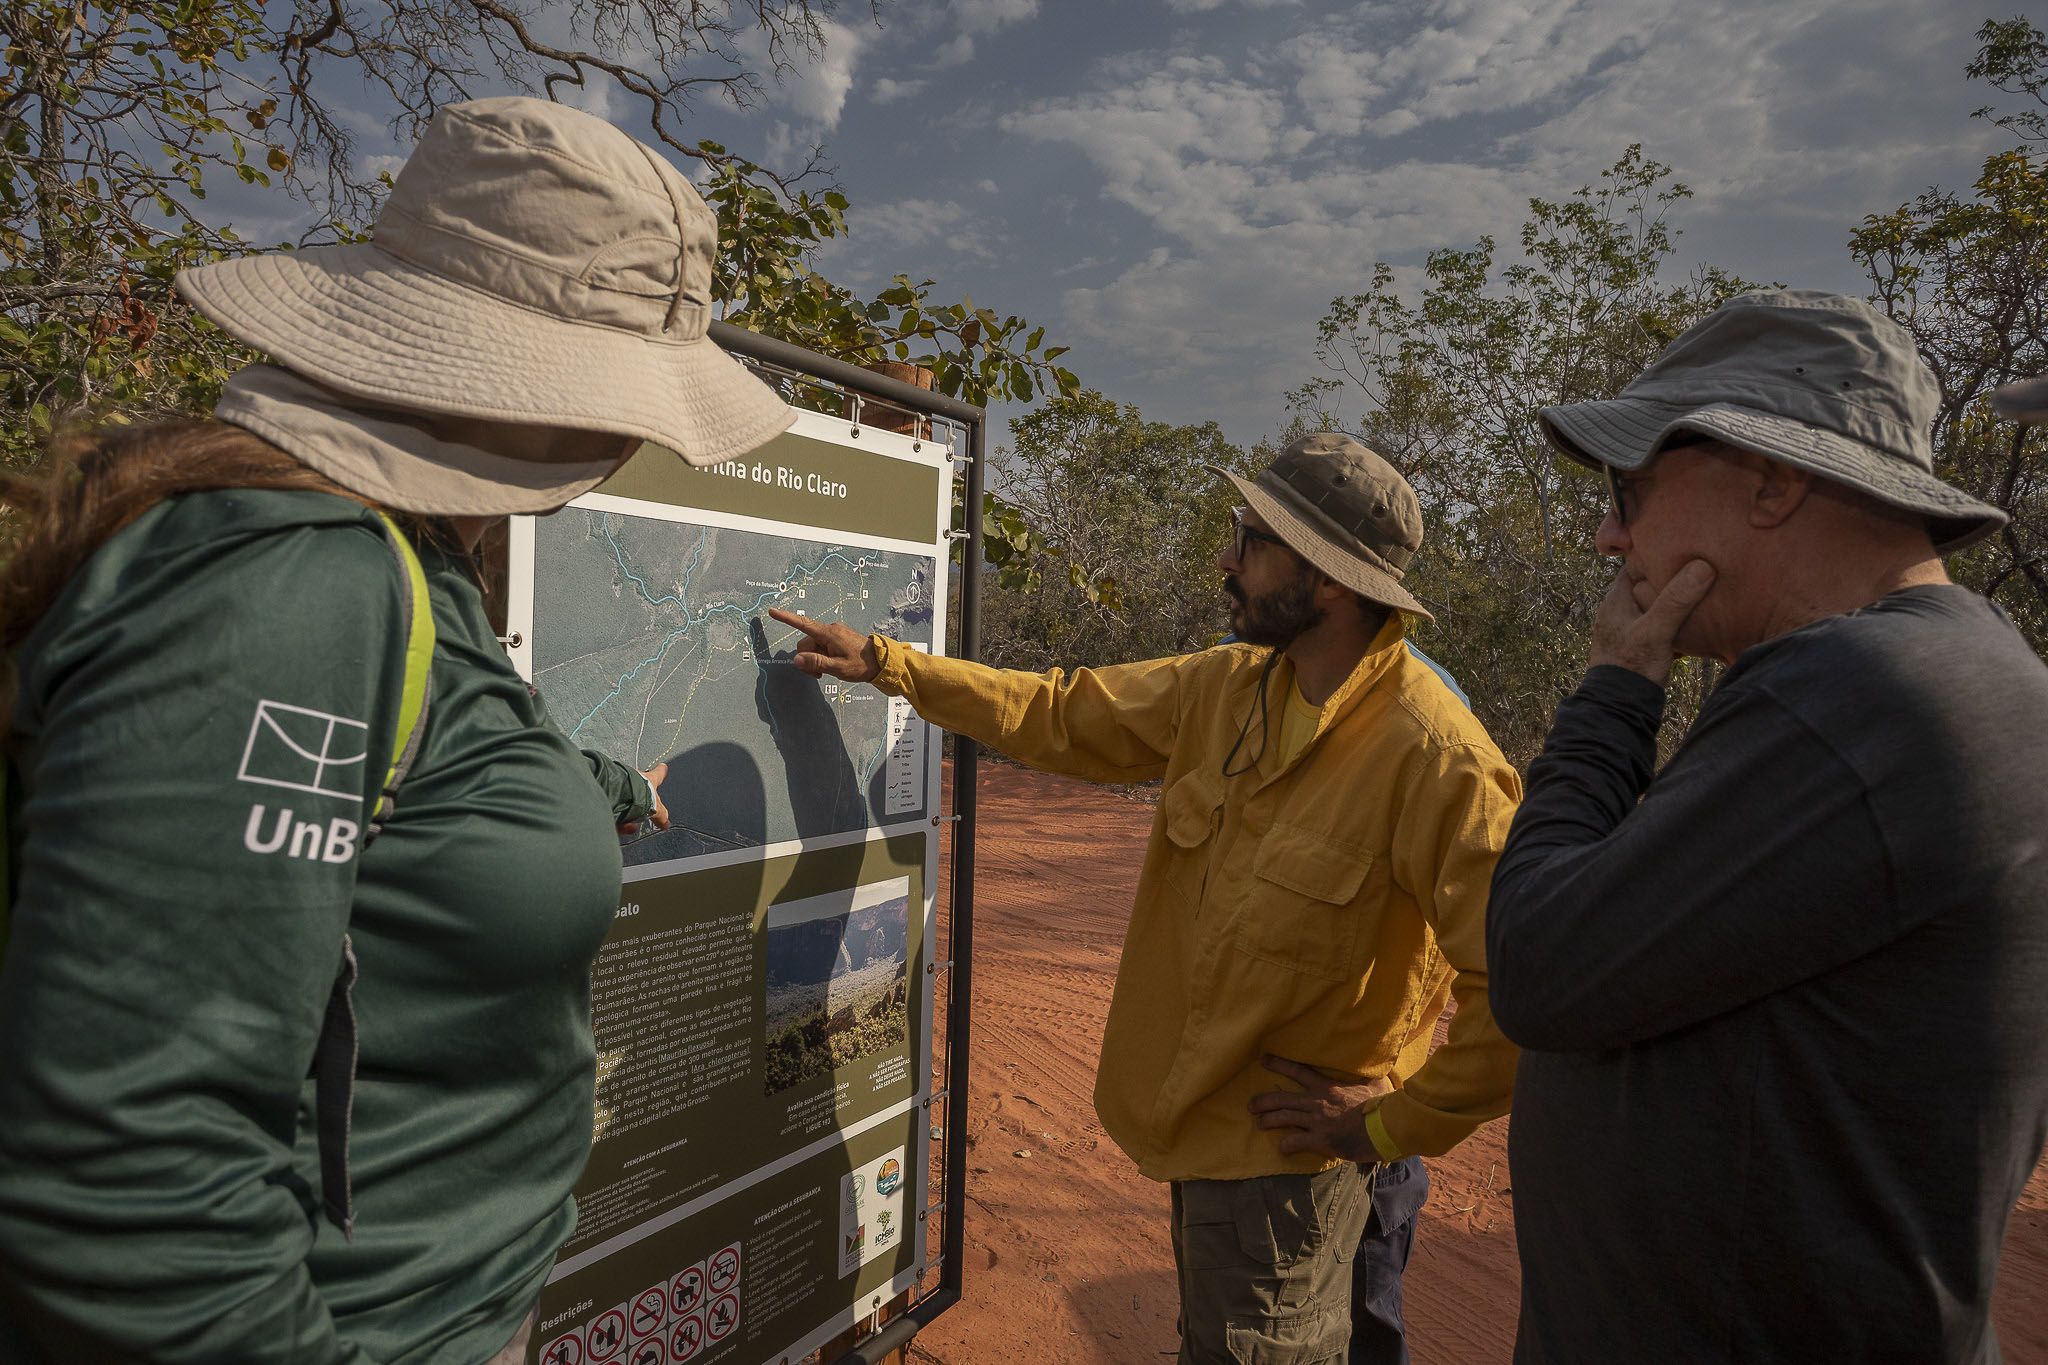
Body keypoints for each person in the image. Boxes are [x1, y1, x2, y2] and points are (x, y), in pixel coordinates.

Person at [0, 96, 793, 1362]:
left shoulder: (395, 557)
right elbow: (132, 1164)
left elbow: (415, 776)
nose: (635, 437)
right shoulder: (287, 583)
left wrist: (585, 785)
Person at [775, 432, 1521, 1364]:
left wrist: (1385, 1121)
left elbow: (1520, 998)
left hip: (1293, 1174)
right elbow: (1053, 712)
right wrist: (889, 662)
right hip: (1202, 1142)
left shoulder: (1437, 757)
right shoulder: (1227, 687)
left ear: (1327, 580)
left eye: (1249, 539)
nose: (1225, 560)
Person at [1486, 289, 2048, 1363]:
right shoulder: (1959, 673)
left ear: (1776, 481)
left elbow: (1537, 959)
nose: (1609, 534)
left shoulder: (1856, 692)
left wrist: (1610, 694)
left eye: (1632, 486)